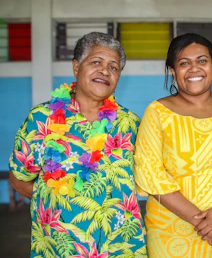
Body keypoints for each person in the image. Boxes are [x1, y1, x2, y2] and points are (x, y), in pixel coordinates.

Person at [9, 32, 147, 257]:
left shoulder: (129, 123)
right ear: (76, 67)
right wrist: (62, 203)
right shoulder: (42, 118)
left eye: (114, 67)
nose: (105, 71)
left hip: (121, 247)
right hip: (60, 247)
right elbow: (19, 179)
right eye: (96, 62)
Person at [134, 33, 212, 258]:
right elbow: (149, 173)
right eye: (184, 63)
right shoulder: (157, 113)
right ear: (173, 71)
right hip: (171, 230)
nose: (194, 69)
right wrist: (204, 222)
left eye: (202, 61)